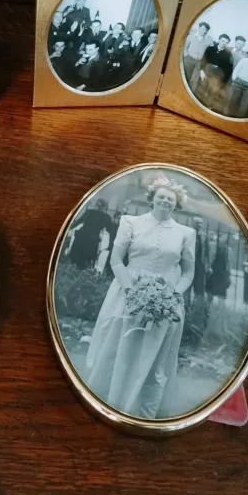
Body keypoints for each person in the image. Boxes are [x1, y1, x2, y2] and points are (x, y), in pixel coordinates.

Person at [85, 176, 195, 419]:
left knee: (153, 354)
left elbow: (188, 273)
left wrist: (171, 295)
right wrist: (130, 291)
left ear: (176, 204)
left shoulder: (186, 233)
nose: (165, 201)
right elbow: (116, 260)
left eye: (171, 198)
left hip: (165, 299)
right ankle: (110, 398)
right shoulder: (130, 222)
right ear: (152, 199)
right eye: (161, 196)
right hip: (127, 291)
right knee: (118, 345)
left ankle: (142, 409)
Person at [68, 199, 112, 269]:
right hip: (92, 240)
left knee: (76, 258)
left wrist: (69, 228)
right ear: (104, 207)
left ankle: (73, 267)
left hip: (82, 237)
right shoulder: (106, 217)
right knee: (86, 260)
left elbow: (78, 222)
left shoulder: (88, 212)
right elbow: (110, 230)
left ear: (96, 205)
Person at [193, 34, 233, 111]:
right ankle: (196, 106)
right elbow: (203, 60)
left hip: (217, 75)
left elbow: (228, 69)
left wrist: (223, 80)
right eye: (222, 41)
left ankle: (207, 109)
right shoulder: (210, 49)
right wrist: (202, 71)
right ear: (219, 40)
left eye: (226, 42)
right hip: (206, 71)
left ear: (227, 43)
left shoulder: (228, 54)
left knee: (212, 92)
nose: (223, 43)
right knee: (201, 89)